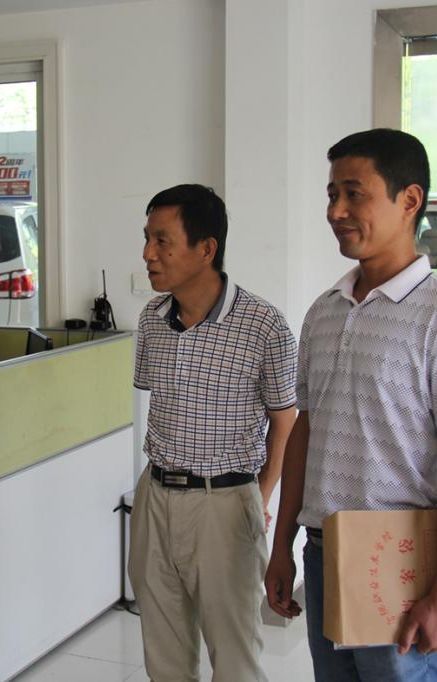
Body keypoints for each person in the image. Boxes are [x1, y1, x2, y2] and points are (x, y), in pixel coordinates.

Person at [265, 129, 437, 681]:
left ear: (409, 200)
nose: (335, 211)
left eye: (353, 194)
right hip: (323, 552)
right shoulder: (324, 311)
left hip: (403, 560)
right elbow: (305, 432)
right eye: (331, 195)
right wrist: (282, 544)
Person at [129, 184, 298, 681]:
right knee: (163, 655)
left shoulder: (264, 326)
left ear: (206, 249)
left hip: (224, 504)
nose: (148, 254)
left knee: (234, 657)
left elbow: (285, 421)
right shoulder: (152, 319)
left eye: (162, 241)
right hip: (155, 496)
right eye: (146, 239)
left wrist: (259, 495)